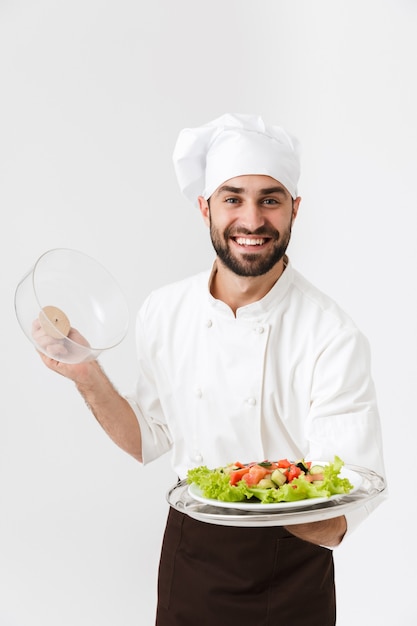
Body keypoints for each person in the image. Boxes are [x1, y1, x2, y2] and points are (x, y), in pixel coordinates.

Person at [33, 113, 386, 626]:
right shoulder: (164, 310)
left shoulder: (332, 334)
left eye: (270, 199)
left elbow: (333, 523)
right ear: (205, 209)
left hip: (289, 574)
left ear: (294, 210)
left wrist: (258, 496)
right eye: (232, 197)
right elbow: (145, 440)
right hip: (190, 560)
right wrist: (86, 372)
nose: (252, 220)